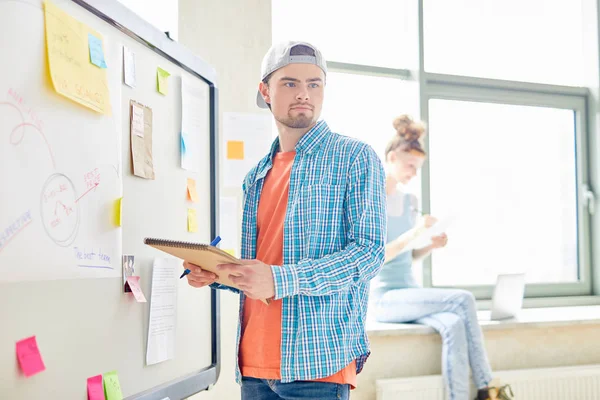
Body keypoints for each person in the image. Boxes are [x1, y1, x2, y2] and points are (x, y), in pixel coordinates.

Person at [183, 41, 387, 400]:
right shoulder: (256, 175)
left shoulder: (355, 157)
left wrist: (279, 279)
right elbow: (262, 273)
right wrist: (220, 274)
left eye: (314, 84)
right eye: (290, 83)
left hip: (317, 365)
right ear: (265, 91)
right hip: (253, 367)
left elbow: (368, 254)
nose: (304, 94)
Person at [370, 115, 514, 400]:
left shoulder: (409, 201)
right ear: (391, 157)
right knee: (463, 299)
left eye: (418, 167)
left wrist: (429, 245)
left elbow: (408, 257)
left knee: (454, 323)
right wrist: (414, 233)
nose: (413, 172)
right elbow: (377, 257)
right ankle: (489, 388)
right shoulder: (370, 198)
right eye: (410, 165)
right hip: (384, 300)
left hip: (409, 293)